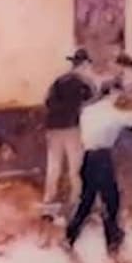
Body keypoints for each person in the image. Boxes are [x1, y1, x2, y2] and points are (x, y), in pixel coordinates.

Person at [66, 85, 132, 254]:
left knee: (87, 200)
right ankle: (112, 238)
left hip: (87, 157)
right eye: (120, 94)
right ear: (113, 94)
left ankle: (71, 234)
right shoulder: (114, 113)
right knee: (111, 200)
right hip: (102, 158)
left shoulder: (88, 110)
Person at [42, 49, 96, 215]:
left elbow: (47, 102)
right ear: (84, 65)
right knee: (75, 166)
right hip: (72, 127)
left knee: (54, 165)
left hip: (53, 127)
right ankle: (76, 201)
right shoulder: (84, 83)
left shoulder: (59, 81)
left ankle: (49, 200)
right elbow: (92, 102)